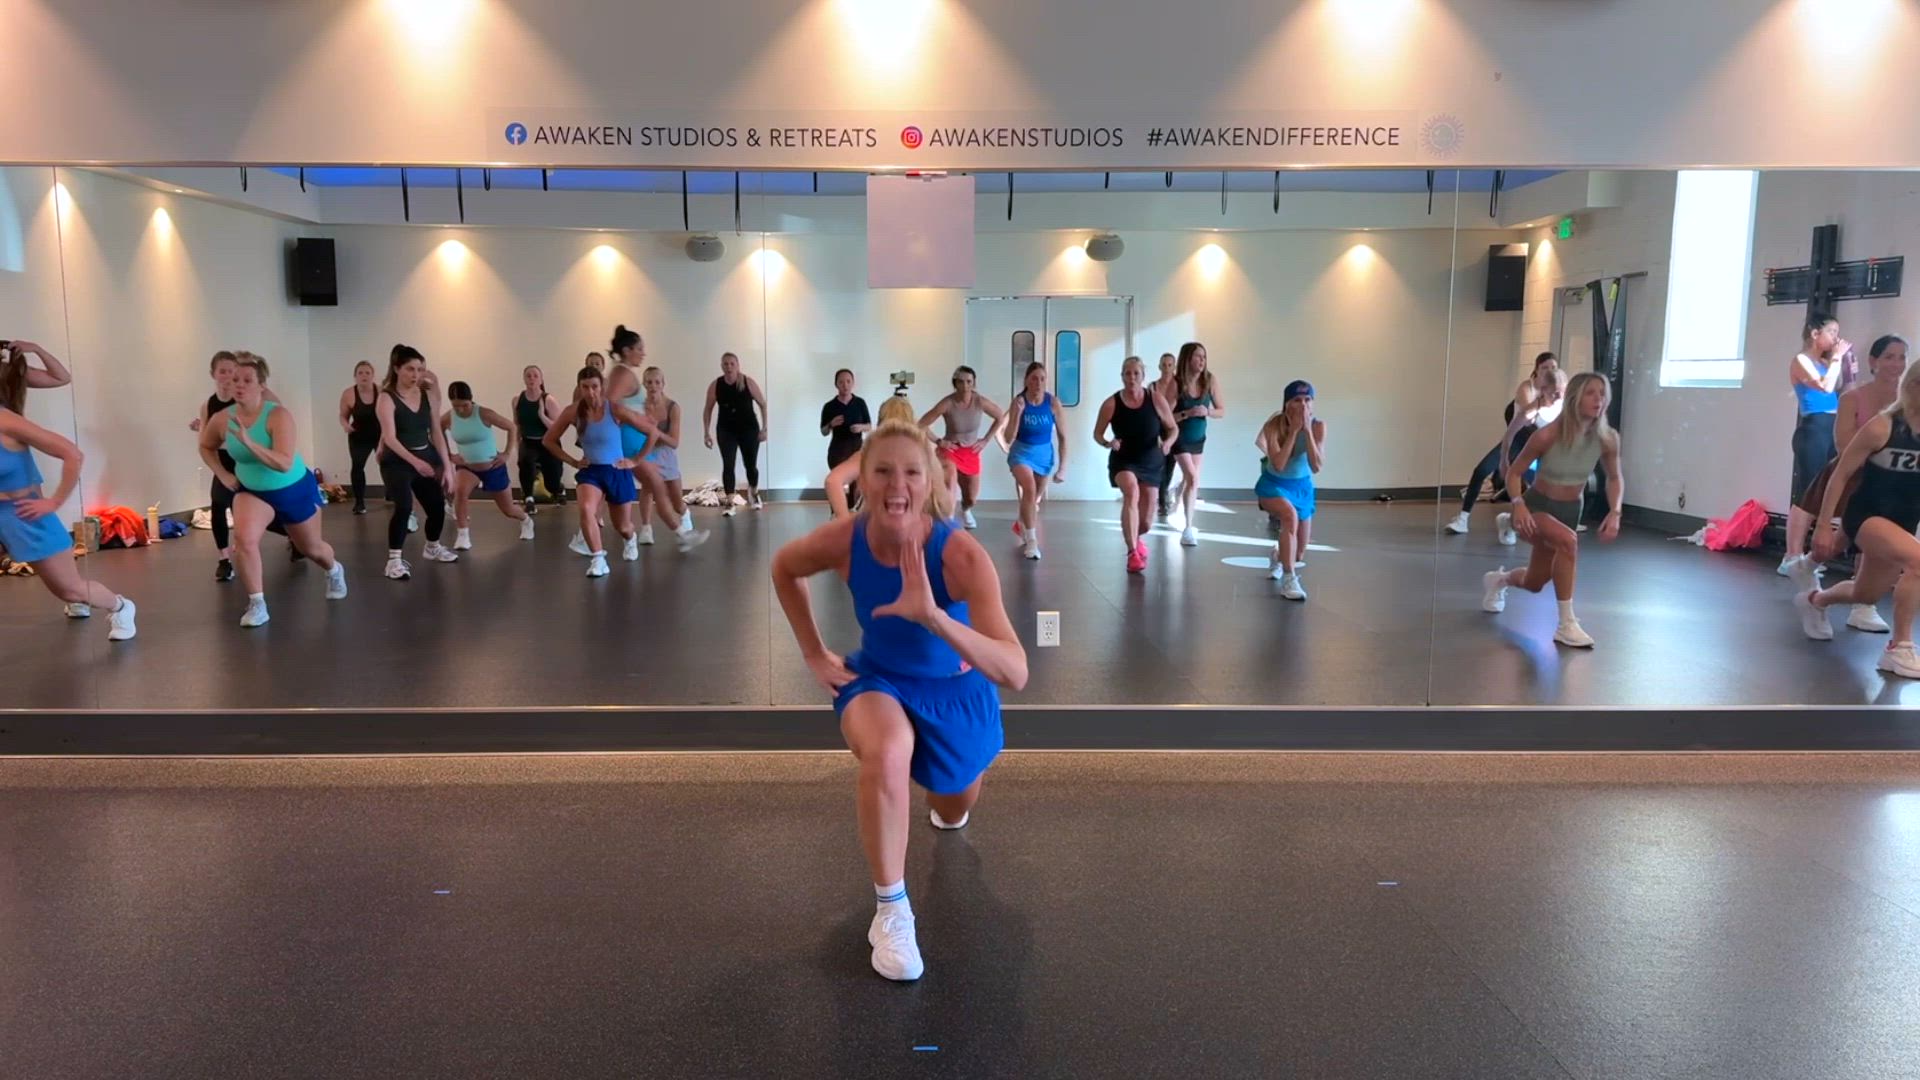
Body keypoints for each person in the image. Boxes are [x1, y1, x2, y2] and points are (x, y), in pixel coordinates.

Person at [770, 417, 1028, 982]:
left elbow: (1015, 670)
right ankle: (891, 912)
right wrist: (813, 652)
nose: (897, 485)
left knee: (954, 807)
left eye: (911, 472)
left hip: (955, 694)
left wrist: (934, 617)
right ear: (862, 479)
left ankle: (947, 801)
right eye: (883, 471)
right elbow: (785, 568)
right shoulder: (846, 539)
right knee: (888, 750)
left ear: (930, 481)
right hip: (879, 680)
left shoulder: (959, 556)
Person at [196, 355, 346, 626]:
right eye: (235, 380)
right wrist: (223, 473)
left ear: (262, 385)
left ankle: (334, 569)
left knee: (312, 549)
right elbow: (206, 446)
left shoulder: (278, 415)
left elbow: (284, 463)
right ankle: (257, 604)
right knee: (244, 540)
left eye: (247, 380)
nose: (239, 385)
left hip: (292, 489)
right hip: (252, 491)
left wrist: (249, 443)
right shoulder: (222, 419)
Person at [1793, 360, 1920, 678]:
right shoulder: (1883, 427)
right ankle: (1899, 649)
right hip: (1866, 516)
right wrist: (1824, 526)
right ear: (1914, 387)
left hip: (1903, 521)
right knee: (1919, 562)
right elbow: (1840, 475)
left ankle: (1815, 600)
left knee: (1866, 594)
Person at [0, 348, 136, 640]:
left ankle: (121, 607)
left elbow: (72, 454)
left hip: (24, 514)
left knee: (70, 589)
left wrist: (54, 502)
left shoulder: (7, 421)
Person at [1480, 372, 1623, 648]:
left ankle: (1500, 580)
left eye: (1602, 393)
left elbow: (1615, 478)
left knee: (1535, 582)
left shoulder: (1608, 438)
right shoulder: (1548, 435)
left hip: (1570, 510)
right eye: (1591, 393)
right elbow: (1514, 473)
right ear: (1575, 398)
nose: (1599, 399)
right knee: (1569, 542)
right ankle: (1566, 624)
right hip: (1538, 505)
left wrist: (1615, 511)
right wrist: (1518, 504)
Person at [545, 366, 659, 577]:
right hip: (591, 472)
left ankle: (630, 539)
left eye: (594, 386)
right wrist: (573, 462)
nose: (591, 392)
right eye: (585, 387)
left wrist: (635, 460)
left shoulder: (614, 409)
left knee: (622, 526)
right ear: (579, 388)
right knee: (586, 508)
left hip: (616, 471)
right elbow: (549, 440)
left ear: (602, 387)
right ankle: (598, 559)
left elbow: (652, 432)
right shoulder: (573, 411)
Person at [1445, 351, 1563, 537]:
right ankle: (1463, 518)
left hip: (1541, 444)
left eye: (1553, 368)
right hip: (1518, 439)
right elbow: (1528, 417)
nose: (1549, 371)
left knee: (1543, 485)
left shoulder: (1560, 390)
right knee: (1482, 470)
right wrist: (1543, 402)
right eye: (1544, 368)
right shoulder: (1527, 388)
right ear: (1536, 370)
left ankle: (1514, 523)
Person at [376, 344, 459, 580]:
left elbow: (436, 432)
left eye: (420, 369)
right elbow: (390, 438)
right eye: (410, 369)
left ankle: (432, 547)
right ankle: (394, 561)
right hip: (397, 461)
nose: (416, 375)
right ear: (396, 369)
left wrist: (448, 468)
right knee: (404, 507)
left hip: (426, 455)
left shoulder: (426, 395)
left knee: (436, 507)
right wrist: (415, 462)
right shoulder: (386, 398)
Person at [1094, 355, 1177, 573]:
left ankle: (1135, 537)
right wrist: (1108, 442)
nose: (1132, 378)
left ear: (1143, 376)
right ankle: (1132, 553)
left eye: (1136, 373)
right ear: (1122, 376)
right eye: (1128, 374)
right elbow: (1097, 434)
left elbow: (1173, 428)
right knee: (1131, 492)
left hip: (1151, 460)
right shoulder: (1112, 403)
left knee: (1147, 521)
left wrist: (1168, 443)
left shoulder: (1156, 399)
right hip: (1124, 459)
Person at [1783, 314, 1851, 574]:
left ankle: (1809, 558)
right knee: (1807, 491)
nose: (1835, 337)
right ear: (1814, 334)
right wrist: (1837, 358)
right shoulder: (1801, 360)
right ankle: (1791, 557)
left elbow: (1842, 388)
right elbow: (1825, 386)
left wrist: (1842, 360)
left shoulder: (1826, 362)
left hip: (1832, 427)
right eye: (1831, 332)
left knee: (1827, 489)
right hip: (1813, 428)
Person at [441, 381, 533, 550]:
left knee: (508, 509)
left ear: (471, 400)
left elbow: (511, 427)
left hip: (493, 467)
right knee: (460, 492)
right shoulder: (449, 417)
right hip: (467, 468)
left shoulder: (484, 414)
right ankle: (463, 535)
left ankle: (526, 520)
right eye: (456, 406)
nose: (460, 410)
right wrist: (449, 455)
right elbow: (437, 431)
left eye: (464, 405)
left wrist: (506, 454)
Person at [1254, 380, 1324, 600]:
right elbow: (1279, 464)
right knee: (1289, 516)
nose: (1303, 405)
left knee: (1299, 553)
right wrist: (1293, 432)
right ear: (1286, 404)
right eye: (1297, 400)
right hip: (1274, 485)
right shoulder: (1273, 426)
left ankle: (1278, 556)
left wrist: (1307, 431)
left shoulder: (1318, 426)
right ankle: (1289, 578)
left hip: (1302, 487)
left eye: (1307, 400)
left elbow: (1317, 466)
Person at [919, 366, 1006, 530]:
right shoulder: (947, 403)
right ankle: (949, 520)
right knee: (951, 480)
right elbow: (922, 424)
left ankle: (965, 510)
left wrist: (986, 440)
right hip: (950, 449)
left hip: (971, 451)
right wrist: (939, 441)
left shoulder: (979, 401)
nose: (965, 386)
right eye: (961, 382)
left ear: (974, 384)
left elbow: (1000, 417)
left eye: (968, 382)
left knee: (971, 497)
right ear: (955, 384)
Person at [1001, 361, 1067, 560]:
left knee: (1034, 498)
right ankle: (1031, 541)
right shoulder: (1019, 402)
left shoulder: (1053, 403)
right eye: (1034, 379)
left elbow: (1063, 437)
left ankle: (1021, 522)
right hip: (1021, 453)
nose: (1038, 383)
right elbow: (1008, 437)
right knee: (1028, 489)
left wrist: (1062, 468)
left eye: (1042, 379)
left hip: (1044, 455)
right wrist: (1018, 413)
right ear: (1026, 381)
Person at [825, 395, 920, 519]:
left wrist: (843, 521)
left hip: (875, 523)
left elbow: (832, 481)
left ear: (881, 420)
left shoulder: (872, 453)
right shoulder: (922, 454)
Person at [1168, 342, 1225, 546]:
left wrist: (1207, 411)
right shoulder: (1176, 383)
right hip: (1180, 438)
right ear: (1188, 359)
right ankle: (1188, 528)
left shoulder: (1210, 380)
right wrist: (1187, 413)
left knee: (1190, 479)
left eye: (1204, 357)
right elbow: (1166, 416)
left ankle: (1178, 493)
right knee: (1193, 478)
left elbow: (1221, 410)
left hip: (1198, 438)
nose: (1202, 361)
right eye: (1198, 356)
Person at [704, 351, 769, 515]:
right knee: (728, 464)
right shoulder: (716, 385)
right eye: (726, 364)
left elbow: (762, 404)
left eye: (732, 364)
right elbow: (708, 409)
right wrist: (706, 432)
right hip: (726, 430)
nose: (729, 367)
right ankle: (730, 501)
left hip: (749, 429)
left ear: (738, 366)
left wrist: (764, 428)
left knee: (750, 465)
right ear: (721, 366)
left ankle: (754, 492)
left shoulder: (748, 382)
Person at [635, 365, 693, 546]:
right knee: (647, 489)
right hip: (647, 454)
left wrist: (654, 432)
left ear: (663, 384)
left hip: (666, 455)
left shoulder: (672, 407)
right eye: (649, 382)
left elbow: (674, 442)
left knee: (676, 502)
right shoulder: (639, 407)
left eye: (657, 382)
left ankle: (684, 513)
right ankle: (646, 528)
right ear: (644, 384)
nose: (653, 386)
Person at [821, 369, 873, 511]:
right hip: (837, 450)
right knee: (836, 482)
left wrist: (860, 427)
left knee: (856, 485)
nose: (845, 385)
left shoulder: (860, 403)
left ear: (853, 383)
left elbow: (869, 426)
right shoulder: (829, 406)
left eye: (848, 381)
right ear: (836, 384)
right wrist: (831, 424)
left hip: (856, 449)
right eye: (841, 382)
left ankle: (853, 514)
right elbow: (823, 431)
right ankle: (836, 514)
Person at [515, 364, 565, 511]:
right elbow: (517, 424)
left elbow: (558, 428)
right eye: (528, 376)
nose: (532, 379)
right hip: (528, 441)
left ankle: (559, 489)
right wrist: (517, 445)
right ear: (524, 379)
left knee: (551, 482)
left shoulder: (548, 400)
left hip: (548, 442)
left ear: (541, 380)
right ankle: (529, 499)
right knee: (525, 464)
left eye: (535, 376)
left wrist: (542, 416)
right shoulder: (517, 400)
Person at [338, 360, 381, 514]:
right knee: (357, 467)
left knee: (388, 464)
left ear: (373, 375)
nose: (364, 376)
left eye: (367, 373)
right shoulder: (349, 394)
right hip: (359, 436)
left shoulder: (382, 391)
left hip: (380, 434)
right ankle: (359, 503)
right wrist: (345, 425)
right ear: (355, 376)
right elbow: (343, 416)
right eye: (360, 373)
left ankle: (392, 494)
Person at [1152, 351, 1179, 520]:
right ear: (1159, 366)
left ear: (1174, 366)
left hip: (1176, 430)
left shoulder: (1180, 387)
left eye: (1170, 365)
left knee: (1171, 466)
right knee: (1160, 465)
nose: (1167, 368)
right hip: (1158, 430)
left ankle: (1166, 495)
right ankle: (1162, 502)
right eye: (1164, 364)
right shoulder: (1153, 387)